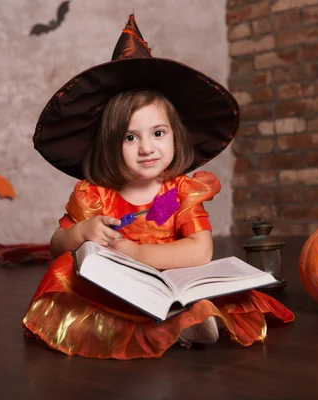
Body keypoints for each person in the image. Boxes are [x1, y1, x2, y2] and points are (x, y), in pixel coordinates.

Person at [23, 14, 294, 359]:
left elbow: (200, 250)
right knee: (66, 274)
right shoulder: (95, 195)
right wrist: (82, 232)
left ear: (175, 136)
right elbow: (55, 246)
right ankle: (171, 326)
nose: (147, 148)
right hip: (120, 289)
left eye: (158, 133)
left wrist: (139, 254)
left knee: (209, 291)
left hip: (173, 279)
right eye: (130, 137)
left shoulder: (175, 193)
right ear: (109, 144)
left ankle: (192, 320)